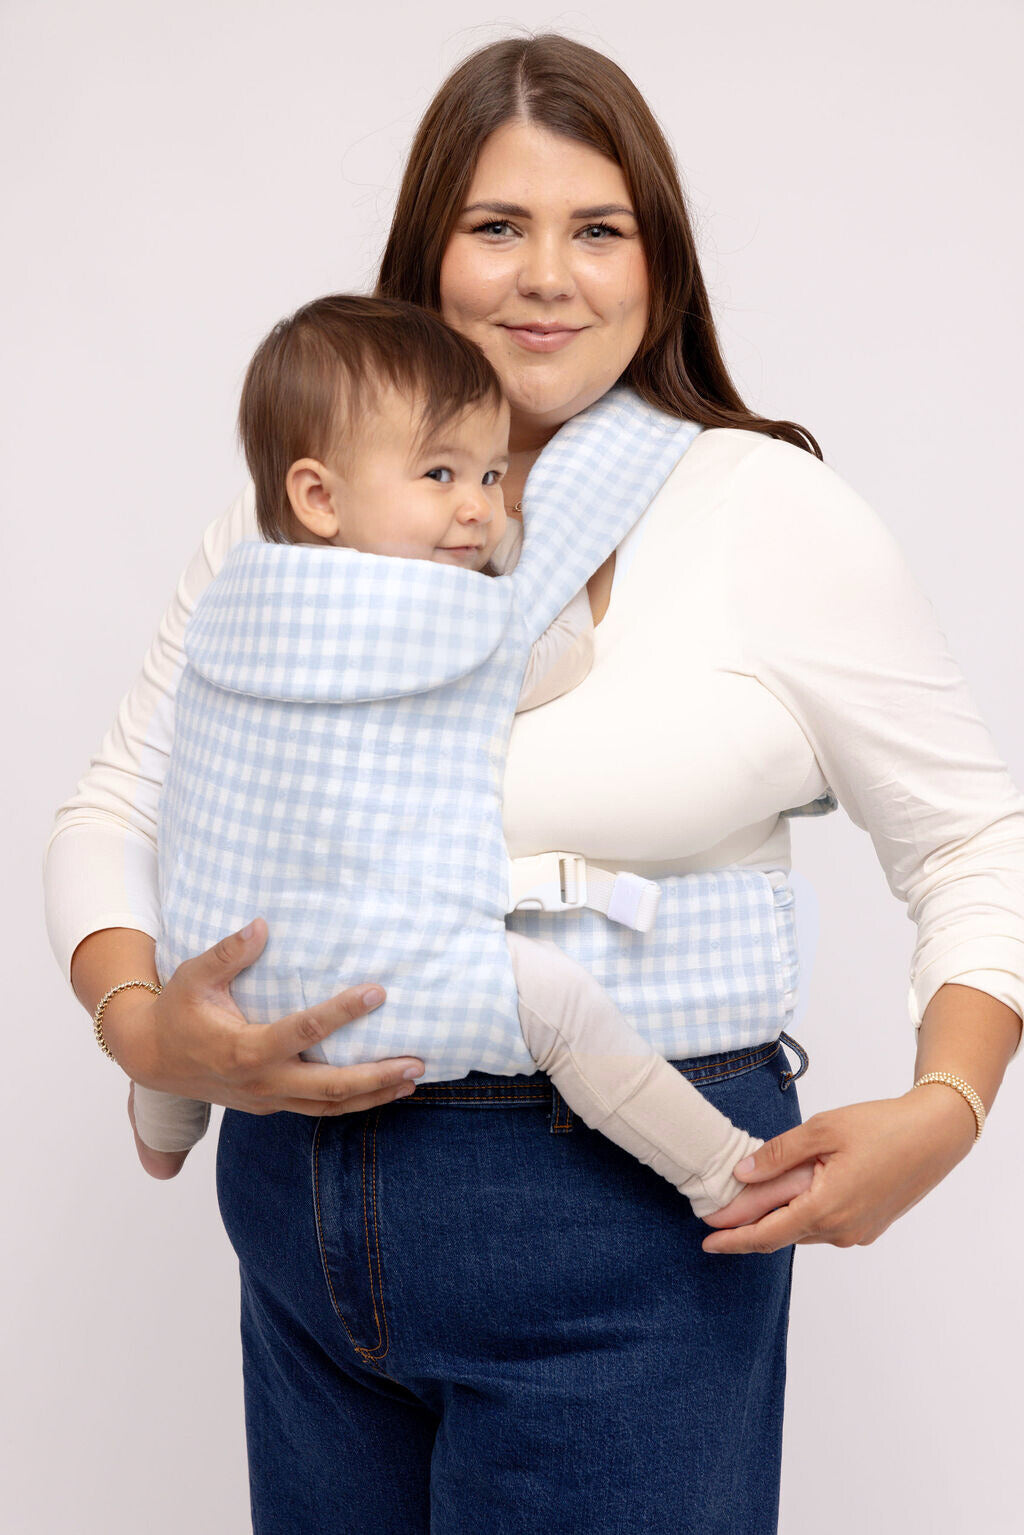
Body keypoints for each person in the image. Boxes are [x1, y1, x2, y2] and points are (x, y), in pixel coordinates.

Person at [44, 32, 1024, 1535]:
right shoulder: (292, 520)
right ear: (428, 256)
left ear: (659, 261)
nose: (547, 277)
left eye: (599, 229)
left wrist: (947, 1105)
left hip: (620, 1210)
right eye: (497, 225)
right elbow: (118, 804)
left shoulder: (766, 512)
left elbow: (974, 840)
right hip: (301, 1196)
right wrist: (142, 1026)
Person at [132, 291, 804, 1222]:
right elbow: (559, 655)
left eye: (492, 476)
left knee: (181, 954)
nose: (479, 509)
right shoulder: (451, 625)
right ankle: (724, 1171)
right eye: (440, 473)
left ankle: (163, 1125)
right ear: (317, 496)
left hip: (226, 969)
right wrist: (546, 572)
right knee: (560, 1006)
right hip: (378, 969)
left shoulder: (231, 601)